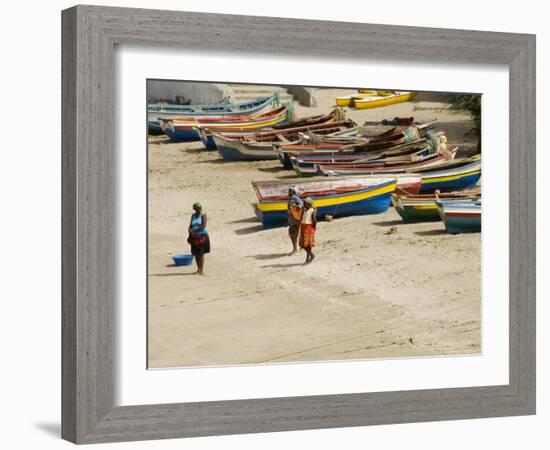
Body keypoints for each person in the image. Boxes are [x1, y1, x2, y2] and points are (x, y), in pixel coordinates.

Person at [187, 202, 210, 275]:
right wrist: (190, 232)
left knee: (201, 253)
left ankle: (201, 270)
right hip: (194, 237)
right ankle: (198, 269)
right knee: (196, 254)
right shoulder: (193, 215)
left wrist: (194, 230)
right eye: (196, 209)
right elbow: (190, 225)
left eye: (199, 209)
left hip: (202, 236)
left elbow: (203, 226)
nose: (198, 210)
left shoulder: (203, 215)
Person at [299, 197, 317, 264]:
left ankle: (307, 259)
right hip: (303, 227)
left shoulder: (312, 211)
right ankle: (312, 255)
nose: (303, 203)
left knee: (308, 245)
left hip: (308, 228)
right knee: (302, 244)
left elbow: (314, 221)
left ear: (309, 204)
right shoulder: (305, 210)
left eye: (305, 203)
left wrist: (314, 228)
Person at [287, 187, 303, 255]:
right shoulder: (292, 198)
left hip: (295, 219)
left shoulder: (295, 198)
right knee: (292, 234)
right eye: (289, 191)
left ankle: (295, 249)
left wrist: (294, 207)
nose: (289, 192)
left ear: (294, 192)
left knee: (293, 234)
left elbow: (301, 204)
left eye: (290, 191)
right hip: (292, 219)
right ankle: (295, 249)